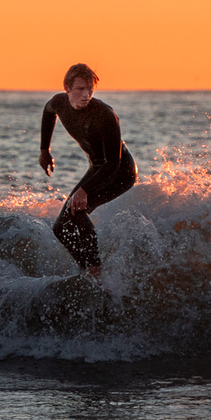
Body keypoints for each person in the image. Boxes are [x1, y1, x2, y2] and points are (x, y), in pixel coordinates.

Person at [39, 63, 136, 279]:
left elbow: (112, 164)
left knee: (78, 209)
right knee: (60, 228)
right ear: (67, 87)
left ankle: (95, 271)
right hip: (97, 168)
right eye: (80, 89)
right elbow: (48, 112)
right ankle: (86, 268)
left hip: (121, 171)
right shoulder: (59, 103)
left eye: (90, 89)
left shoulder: (105, 115)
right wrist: (44, 150)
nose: (86, 95)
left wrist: (84, 190)